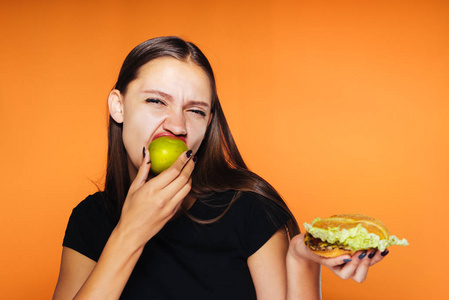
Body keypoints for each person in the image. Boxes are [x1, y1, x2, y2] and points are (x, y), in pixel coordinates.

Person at [52, 36, 386, 300]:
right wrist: (130, 233)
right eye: (156, 101)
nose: (178, 126)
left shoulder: (251, 210)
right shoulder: (90, 219)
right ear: (118, 106)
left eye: (195, 110)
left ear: (209, 120)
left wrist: (300, 261)